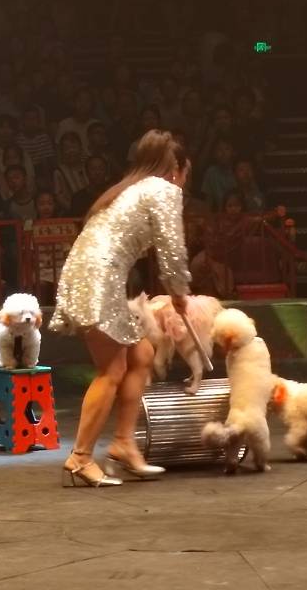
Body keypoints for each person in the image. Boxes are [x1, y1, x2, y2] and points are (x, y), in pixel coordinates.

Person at [49, 129, 191, 488]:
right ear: (178, 169)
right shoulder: (163, 189)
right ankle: (80, 457)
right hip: (99, 278)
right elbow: (172, 251)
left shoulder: (127, 188)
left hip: (92, 273)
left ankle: (124, 443)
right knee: (112, 369)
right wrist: (179, 294)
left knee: (142, 354)